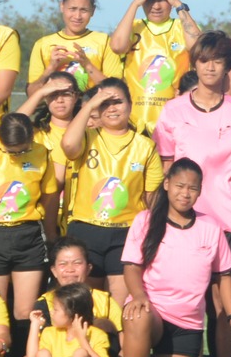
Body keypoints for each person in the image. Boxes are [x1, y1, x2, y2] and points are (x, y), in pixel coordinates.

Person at [151, 29, 231, 357]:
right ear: (194, 64)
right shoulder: (173, 110)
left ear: (228, 65)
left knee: (224, 306)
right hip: (183, 224)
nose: (210, 67)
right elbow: (167, 170)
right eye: (203, 60)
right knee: (189, 301)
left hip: (227, 221)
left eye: (217, 60)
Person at [119, 160, 231, 357]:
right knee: (137, 315)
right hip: (154, 312)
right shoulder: (145, 221)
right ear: (166, 184)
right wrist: (138, 295)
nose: (185, 193)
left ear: (200, 191)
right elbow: (131, 267)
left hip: (187, 324)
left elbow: (224, 275)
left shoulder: (210, 227)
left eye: (192, 188)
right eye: (179, 186)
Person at [61, 78, 164, 301]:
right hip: (86, 230)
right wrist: (89, 104)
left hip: (125, 234)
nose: (112, 108)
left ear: (130, 104)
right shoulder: (87, 137)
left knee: (117, 309)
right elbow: (68, 146)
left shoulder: (146, 146)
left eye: (117, 102)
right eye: (104, 104)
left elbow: (151, 199)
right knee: (86, 306)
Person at [0, 109, 56, 357]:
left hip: (28, 235)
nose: (15, 154)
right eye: (10, 149)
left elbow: (49, 194)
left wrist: (48, 231)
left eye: (21, 149)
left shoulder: (41, 153)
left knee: (24, 310)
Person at [23, 238, 124, 357]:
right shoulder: (44, 304)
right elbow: (33, 356)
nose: (70, 270)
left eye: (77, 263)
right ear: (54, 271)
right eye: (63, 264)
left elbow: (126, 344)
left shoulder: (105, 300)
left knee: (102, 326)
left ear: (89, 267)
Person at [110, 0, 198, 130]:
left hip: (174, 122)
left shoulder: (181, 27)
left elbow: (198, 48)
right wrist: (134, 5)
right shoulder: (133, 27)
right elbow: (117, 46)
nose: (156, 6)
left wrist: (179, 5)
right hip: (135, 123)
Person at [27, 0, 119, 93]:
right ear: (62, 6)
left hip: (93, 109)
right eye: (72, 9)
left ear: (93, 10)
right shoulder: (42, 44)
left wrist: (88, 65)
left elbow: (115, 91)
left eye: (84, 10)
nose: (77, 16)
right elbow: (31, 94)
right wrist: (51, 68)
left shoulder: (105, 42)